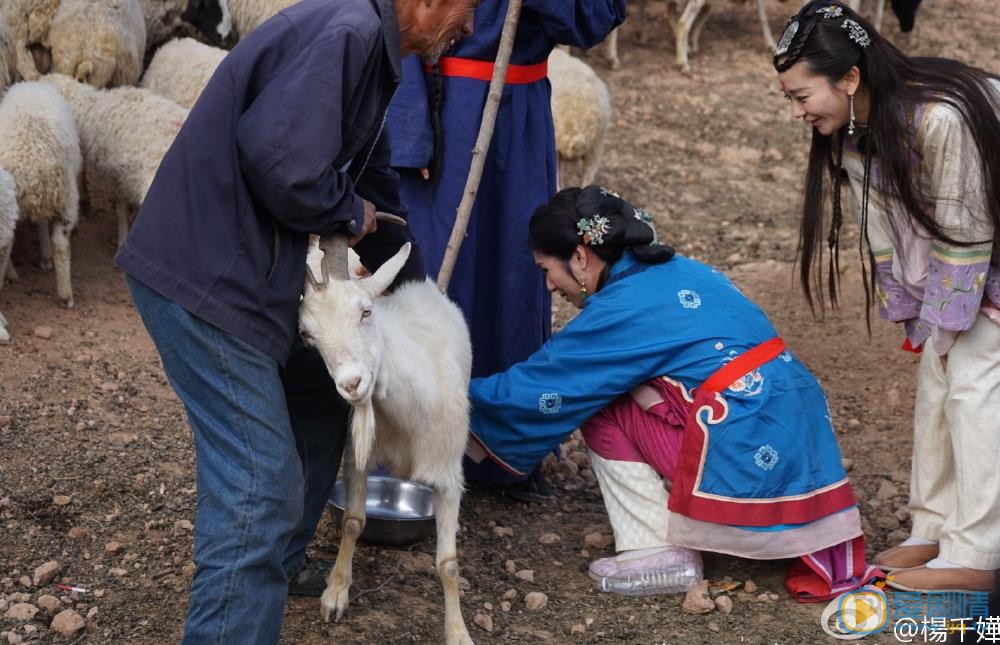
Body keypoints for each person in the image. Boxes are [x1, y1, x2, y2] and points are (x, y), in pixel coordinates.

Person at [114, 0, 478, 641]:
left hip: (248, 271)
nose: (471, 27)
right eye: (469, 8)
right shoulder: (351, 35)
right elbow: (283, 164)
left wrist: (413, 289)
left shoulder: (370, 51)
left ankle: (273, 566)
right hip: (208, 281)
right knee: (261, 485)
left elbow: (375, 179)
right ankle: (236, 605)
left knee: (320, 394)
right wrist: (347, 211)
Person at [464, 185, 879, 601]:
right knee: (619, 380)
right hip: (798, 454)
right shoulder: (681, 271)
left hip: (748, 458)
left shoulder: (623, 306)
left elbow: (543, 384)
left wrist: (447, 398)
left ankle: (656, 551)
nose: (550, 285)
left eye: (545, 270)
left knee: (597, 399)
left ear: (579, 257)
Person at [773, 1, 999, 592]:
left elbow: (965, 222)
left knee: (977, 378)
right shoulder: (857, 128)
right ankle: (935, 527)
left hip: (984, 243)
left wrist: (950, 320)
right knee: (939, 380)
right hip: (973, 250)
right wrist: (920, 314)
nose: (796, 112)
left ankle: (978, 551)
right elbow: (886, 228)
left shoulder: (941, 117)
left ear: (849, 78)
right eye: (790, 98)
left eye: (802, 96)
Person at [385, 0, 626, 500]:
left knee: (518, 273)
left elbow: (595, 19)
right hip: (446, 110)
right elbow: (399, 17)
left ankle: (504, 451)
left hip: (520, 113)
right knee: (439, 272)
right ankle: (419, 445)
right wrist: (409, 132)